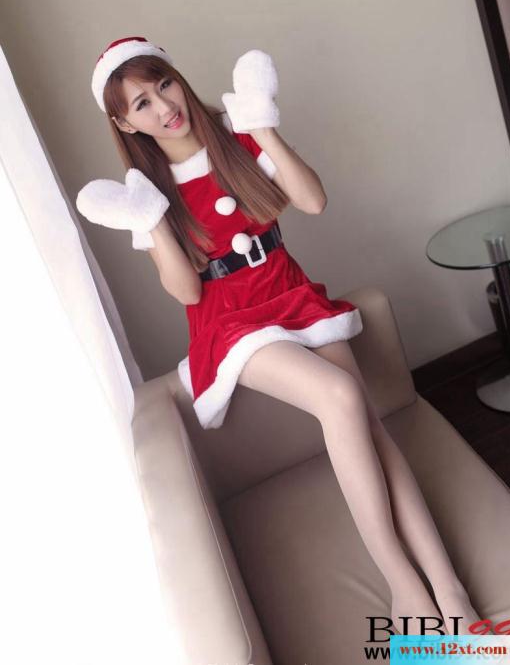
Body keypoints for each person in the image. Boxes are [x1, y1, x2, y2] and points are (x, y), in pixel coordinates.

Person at [77, 36, 482, 636]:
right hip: (227, 320)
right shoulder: (147, 191)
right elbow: (187, 292)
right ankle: (403, 585)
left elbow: (312, 200)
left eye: (163, 84)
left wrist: (262, 127)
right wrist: (152, 223)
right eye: (141, 104)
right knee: (340, 396)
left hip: (287, 289)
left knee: (369, 426)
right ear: (124, 122)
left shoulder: (236, 135)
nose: (164, 106)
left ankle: (449, 591)